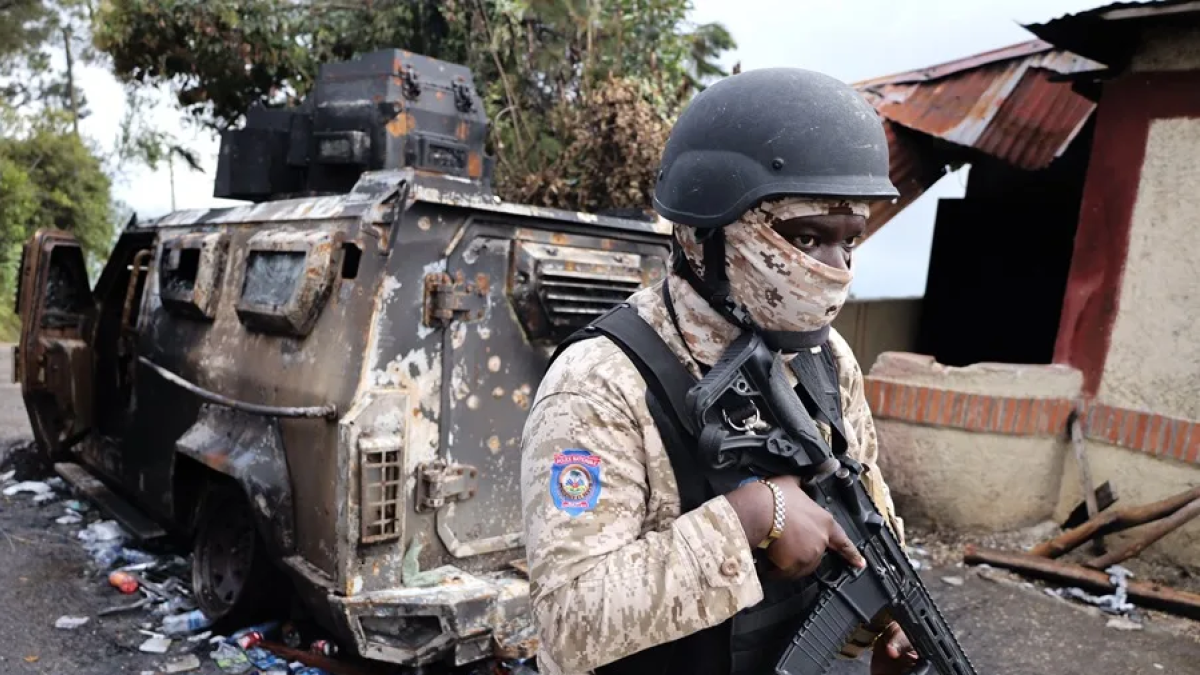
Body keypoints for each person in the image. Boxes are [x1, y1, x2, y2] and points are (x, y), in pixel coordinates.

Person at [519, 66, 919, 675]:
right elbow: (570, 622)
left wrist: (887, 615)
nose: (835, 268)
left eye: (850, 241)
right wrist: (754, 516)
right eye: (806, 238)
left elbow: (870, 515)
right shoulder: (601, 381)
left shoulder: (826, 359)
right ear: (706, 233)